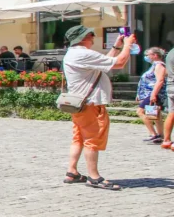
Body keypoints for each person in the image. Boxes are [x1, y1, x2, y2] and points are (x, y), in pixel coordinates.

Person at [62, 25, 134, 190]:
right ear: (84, 38)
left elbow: (105, 64)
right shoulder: (83, 53)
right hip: (91, 104)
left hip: (79, 104)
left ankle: (71, 171)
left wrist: (116, 46)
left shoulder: (74, 53)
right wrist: (128, 45)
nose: (93, 38)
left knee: (79, 138)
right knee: (92, 140)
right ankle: (94, 177)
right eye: (91, 35)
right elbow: (119, 63)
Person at [135, 47, 167, 143]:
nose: (146, 56)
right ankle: (160, 136)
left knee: (140, 111)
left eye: (148, 54)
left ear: (155, 55)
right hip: (149, 93)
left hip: (153, 93)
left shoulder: (159, 65)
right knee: (155, 115)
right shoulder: (154, 65)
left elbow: (160, 80)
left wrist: (153, 94)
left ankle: (153, 134)